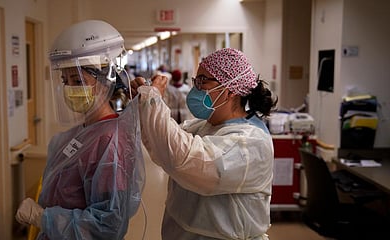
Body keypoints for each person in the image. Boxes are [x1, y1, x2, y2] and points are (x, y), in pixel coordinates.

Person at [15, 19, 145, 240]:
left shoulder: (111, 141)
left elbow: (107, 226)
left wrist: (43, 217)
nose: (70, 89)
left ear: (106, 79)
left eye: (78, 80)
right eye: (66, 81)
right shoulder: (81, 133)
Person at [131, 48, 278, 240]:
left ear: (229, 91)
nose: (195, 89)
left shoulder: (250, 142)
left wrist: (152, 101)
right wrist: (142, 103)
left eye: (202, 81)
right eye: (195, 81)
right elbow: (162, 148)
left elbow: (183, 159)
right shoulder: (203, 126)